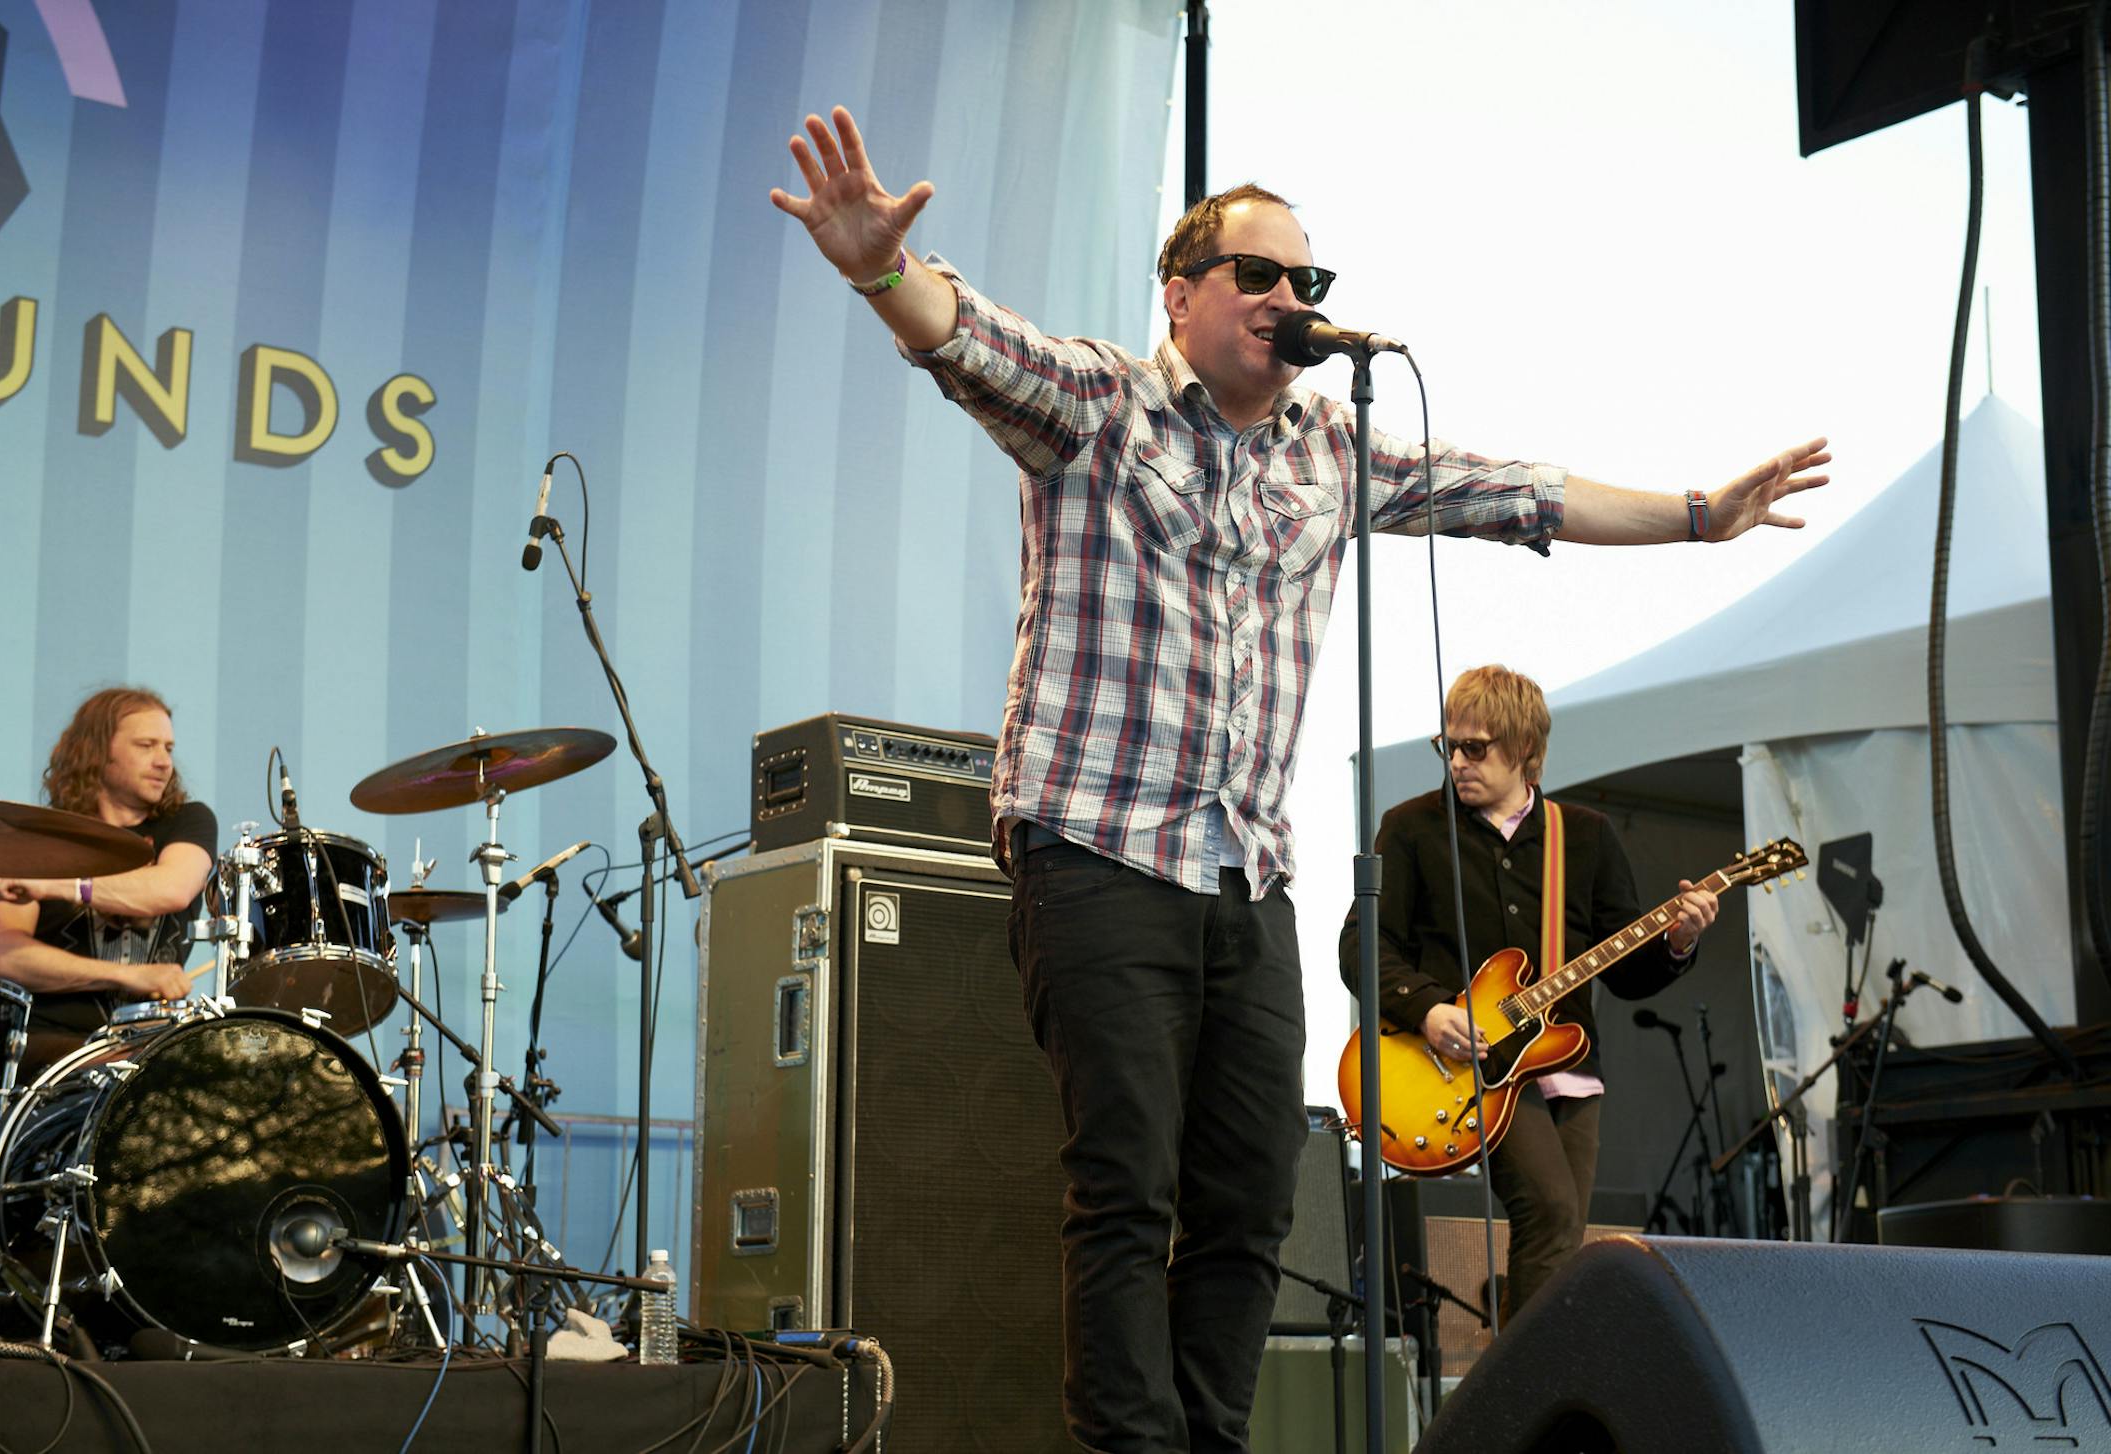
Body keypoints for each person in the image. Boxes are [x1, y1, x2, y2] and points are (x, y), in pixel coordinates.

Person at [769, 105, 1828, 1452]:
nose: (1289, 299)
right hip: (1095, 847)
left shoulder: (1333, 448)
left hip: (1244, 875)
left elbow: (1516, 489)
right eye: (1259, 275)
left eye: (1307, 282)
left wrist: (1696, 515)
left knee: (1252, 1198)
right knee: (1125, 1186)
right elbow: (969, 339)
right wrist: (875, 267)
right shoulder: (1101, 404)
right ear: (1182, 293)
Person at [1339, 666, 1719, 1327]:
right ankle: (1524, 1406)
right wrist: (1430, 1009)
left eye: (1475, 747)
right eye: (1448, 746)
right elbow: (1363, 949)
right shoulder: (1412, 830)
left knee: (1561, 1244)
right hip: (1469, 1068)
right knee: (1551, 1212)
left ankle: (1523, 1397)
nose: (1457, 762)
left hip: (1567, 1064)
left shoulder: (1586, 836)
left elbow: (1627, 976)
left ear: (1524, 749)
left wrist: (1679, 941)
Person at [0, 687, 217, 1070]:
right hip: (48, 1049)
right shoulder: (37, 841)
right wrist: (129, 976)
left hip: (149, 1042)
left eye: (168, 749)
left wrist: (54, 886)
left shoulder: (187, 821)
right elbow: (5, 957)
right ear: (99, 752)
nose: (163, 762)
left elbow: (172, 889)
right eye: (146, 745)